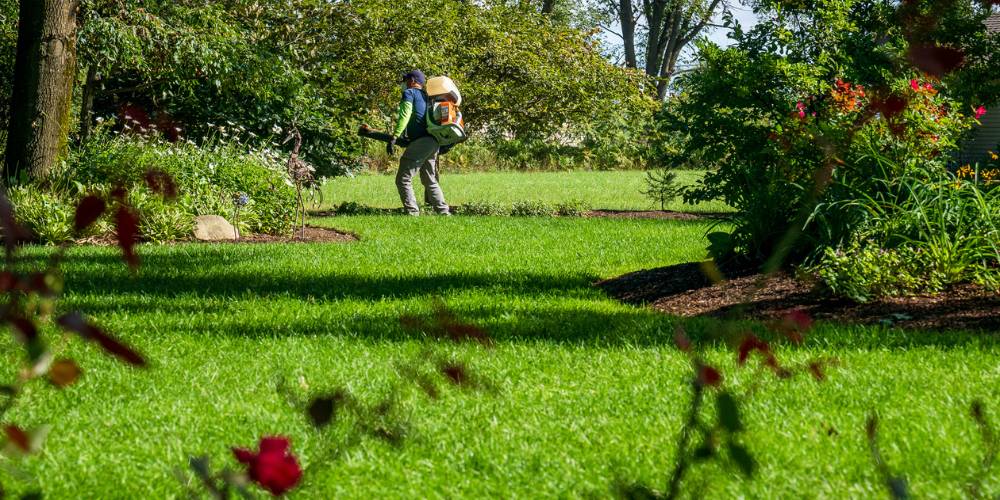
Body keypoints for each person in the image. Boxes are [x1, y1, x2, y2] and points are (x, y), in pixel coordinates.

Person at [388, 69, 450, 216]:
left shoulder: (410, 93)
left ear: (413, 81)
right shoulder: (428, 97)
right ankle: (444, 212)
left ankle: (412, 213)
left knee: (403, 178)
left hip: (421, 142)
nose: (404, 84)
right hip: (433, 142)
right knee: (430, 179)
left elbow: (406, 113)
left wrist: (395, 135)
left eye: (406, 80)